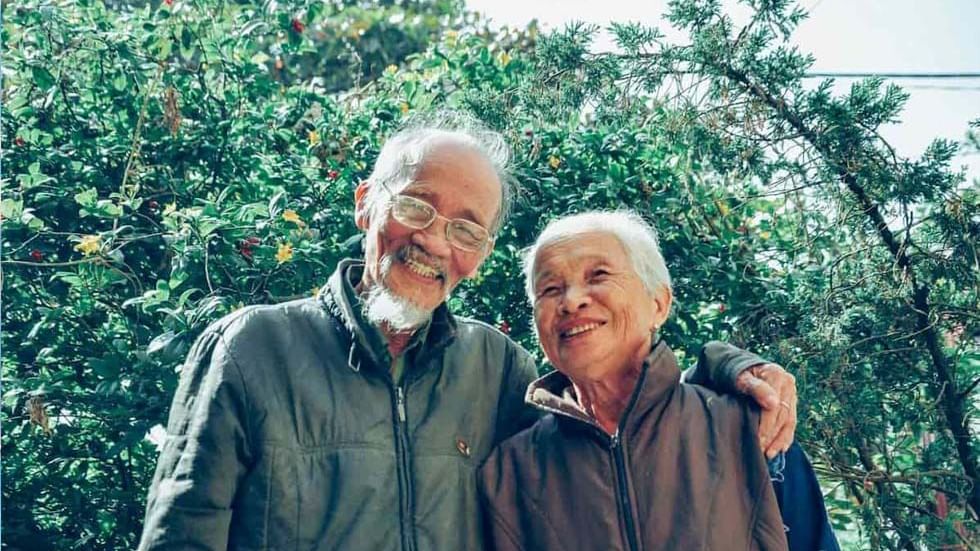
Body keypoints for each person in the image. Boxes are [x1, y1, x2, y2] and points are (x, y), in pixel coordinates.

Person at [137, 113, 800, 550]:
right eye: (415, 204)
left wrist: (725, 365)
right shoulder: (251, 348)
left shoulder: (497, 368)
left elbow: (631, 427)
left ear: (480, 252)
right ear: (367, 202)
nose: (432, 239)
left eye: (465, 227)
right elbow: (180, 535)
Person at [478, 211, 839, 551]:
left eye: (598, 275)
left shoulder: (750, 429)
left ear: (659, 304)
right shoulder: (510, 473)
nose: (571, 301)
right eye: (550, 289)